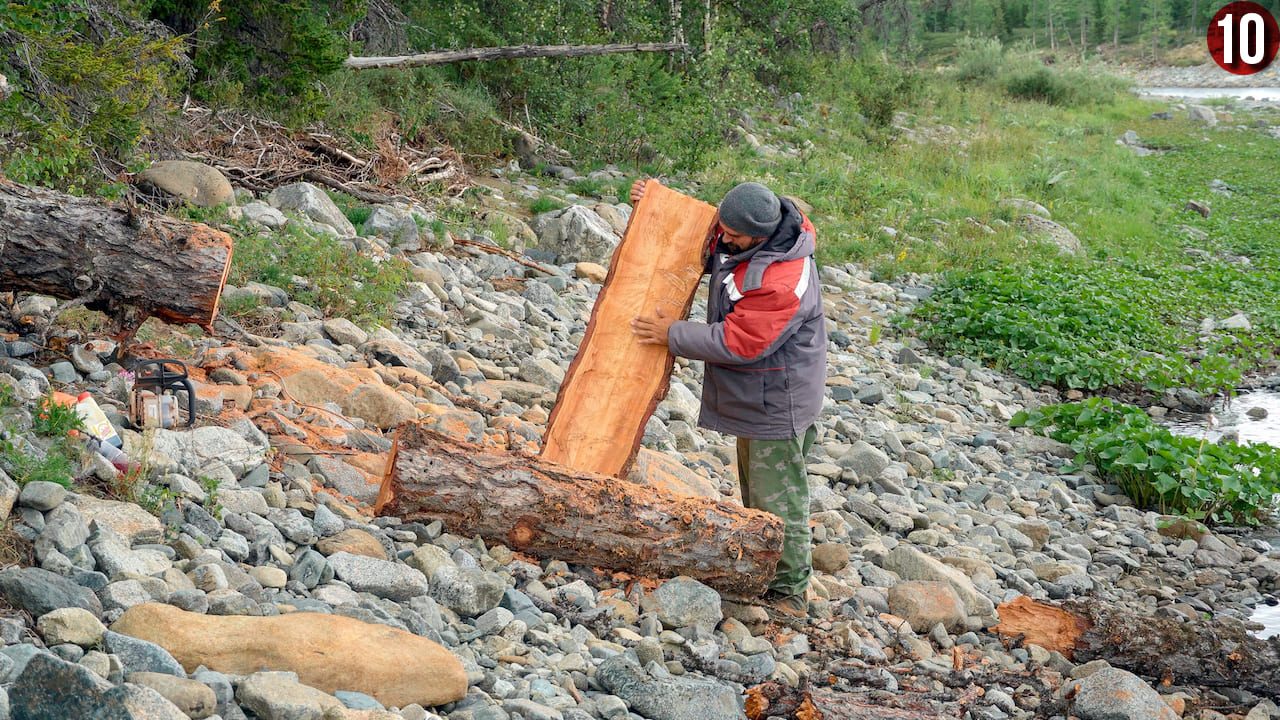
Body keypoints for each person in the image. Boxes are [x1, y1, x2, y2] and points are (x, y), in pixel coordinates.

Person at [630, 179, 827, 618]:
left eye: (733, 235)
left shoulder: (781, 281)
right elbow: (701, 233)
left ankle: (789, 596)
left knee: (778, 501)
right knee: (757, 492)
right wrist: (655, 204)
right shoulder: (748, 231)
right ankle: (763, 571)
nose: (723, 237)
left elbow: (742, 342)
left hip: (780, 400)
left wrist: (672, 334)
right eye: (723, 227)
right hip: (759, 394)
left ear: (758, 234)